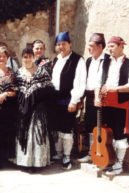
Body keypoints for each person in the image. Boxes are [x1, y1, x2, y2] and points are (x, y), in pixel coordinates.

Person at [94, 36, 129, 175]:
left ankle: (118, 164)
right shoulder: (105, 63)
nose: (109, 49)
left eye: (112, 46)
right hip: (104, 103)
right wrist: (96, 97)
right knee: (107, 135)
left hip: (120, 103)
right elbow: (97, 82)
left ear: (121, 46)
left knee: (120, 134)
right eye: (108, 46)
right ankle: (108, 161)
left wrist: (115, 89)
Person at [51, 31, 86, 170]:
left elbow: (80, 82)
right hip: (56, 100)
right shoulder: (56, 59)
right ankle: (59, 154)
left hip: (68, 100)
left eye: (63, 44)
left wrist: (74, 100)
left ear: (70, 44)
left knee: (66, 129)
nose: (61, 47)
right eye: (58, 44)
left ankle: (66, 156)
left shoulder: (78, 60)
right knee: (57, 128)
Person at [15, 48, 54, 172]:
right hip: (22, 109)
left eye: (29, 56)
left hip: (38, 109)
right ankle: (24, 162)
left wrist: (38, 98)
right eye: (25, 57)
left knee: (36, 135)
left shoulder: (41, 72)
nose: (27, 59)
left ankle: (37, 162)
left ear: (33, 57)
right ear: (22, 58)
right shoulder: (18, 73)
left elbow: (49, 89)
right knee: (24, 133)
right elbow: (15, 91)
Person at [78, 33, 109, 163]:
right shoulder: (89, 60)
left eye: (91, 46)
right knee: (90, 125)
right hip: (89, 96)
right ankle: (92, 154)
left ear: (100, 46)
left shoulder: (108, 60)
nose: (88, 48)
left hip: (103, 97)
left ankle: (102, 154)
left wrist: (100, 96)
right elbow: (85, 80)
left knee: (101, 126)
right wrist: (81, 98)